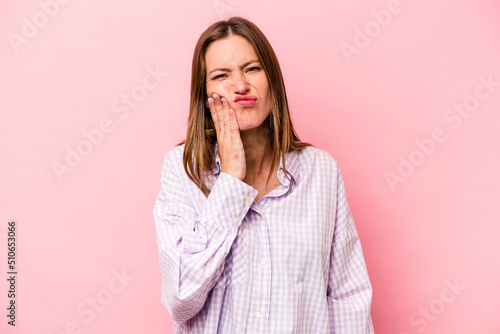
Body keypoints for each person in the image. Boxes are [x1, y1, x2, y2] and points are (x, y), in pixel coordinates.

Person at [153, 16, 374, 333]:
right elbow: (181, 299)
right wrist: (230, 181)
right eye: (221, 75)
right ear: (205, 97)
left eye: (252, 69)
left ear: (273, 81)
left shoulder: (321, 171)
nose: (241, 85)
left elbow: (347, 298)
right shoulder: (182, 169)